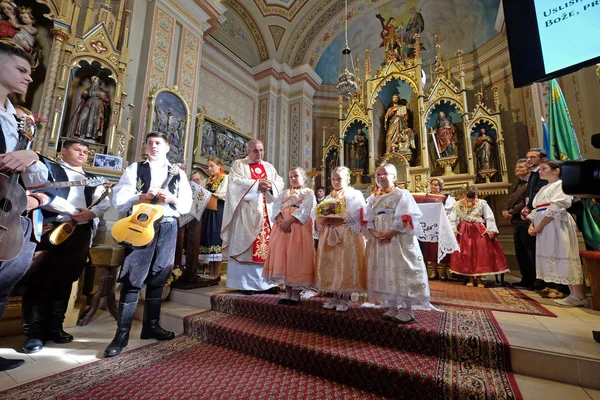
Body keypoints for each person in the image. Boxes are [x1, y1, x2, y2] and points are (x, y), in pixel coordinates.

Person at [104, 132, 192, 357]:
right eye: (150, 143)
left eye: (158, 143)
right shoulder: (135, 168)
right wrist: (141, 196)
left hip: (168, 225)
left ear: (167, 148)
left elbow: (186, 204)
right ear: (146, 146)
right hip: (140, 225)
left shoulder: (177, 172)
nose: (153, 146)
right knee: (133, 276)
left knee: (159, 275)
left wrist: (171, 199)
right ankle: (121, 334)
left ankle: (150, 326)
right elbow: (120, 197)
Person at [20, 140, 110, 353]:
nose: (82, 153)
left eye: (86, 151)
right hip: (51, 228)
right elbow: (42, 194)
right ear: (64, 150)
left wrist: (91, 213)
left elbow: (103, 201)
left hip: (79, 232)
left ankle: (55, 328)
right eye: (77, 149)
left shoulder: (91, 179)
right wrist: (71, 210)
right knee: (38, 278)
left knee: (66, 279)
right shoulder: (50, 169)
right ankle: (33, 333)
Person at [0, 43, 50, 371]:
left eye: (30, 72)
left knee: (3, 284)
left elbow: (38, 176)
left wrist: (31, 156)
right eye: (21, 70)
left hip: (8, 216)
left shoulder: (17, 120)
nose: (29, 78)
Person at [365, 164, 431, 323]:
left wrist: (391, 232)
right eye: (378, 174)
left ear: (394, 177)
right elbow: (367, 218)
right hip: (379, 238)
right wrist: (374, 232)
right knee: (385, 270)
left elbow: (406, 216)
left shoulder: (402, 194)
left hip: (398, 238)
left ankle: (407, 309)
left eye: (384, 174)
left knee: (402, 269)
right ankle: (392, 306)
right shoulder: (372, 198)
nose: (380, 177)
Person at [221, 139, 284, 295]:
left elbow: (280, 183)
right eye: (255, 151)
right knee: (246, 247)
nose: (259, 154)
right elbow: (234, 184)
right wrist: (256, 185)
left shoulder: (269, 167)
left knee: (269, 247)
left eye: (261, 150)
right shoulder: (239, 165)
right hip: (246, 214)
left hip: (267, 213)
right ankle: (245, 284)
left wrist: (271, 186)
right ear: (248, 151)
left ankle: (268, 283)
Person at [528, 160, 587, 306]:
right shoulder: (544, 188)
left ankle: (578, 295)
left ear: (556, 170)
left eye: (544, 168)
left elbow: (557, 206)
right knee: (555, 256)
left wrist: (540, 225)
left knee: (564, 254)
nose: (540, 171)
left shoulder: (561, 185)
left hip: (556, 223)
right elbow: (537, 209)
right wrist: (532, 223)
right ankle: (573, 293)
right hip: (545, 226)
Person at [314, 166, 366, 312]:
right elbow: (318, 211)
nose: (336, 182)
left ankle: (345, 299)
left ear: (347, 179)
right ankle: (335, 296)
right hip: (330, 232)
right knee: (332, 263)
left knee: (344, 263)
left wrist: (340, 220)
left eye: (339, 179)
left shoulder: (353, 194)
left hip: (346, 234)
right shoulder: (329, 197)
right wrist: (323, 220)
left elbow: (358, 213)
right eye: (333, 179)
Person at [263, 167, 315, 305]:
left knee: (294, 257)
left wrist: (289, 221)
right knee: (283, 258)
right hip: (282, 229)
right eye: (290, 176)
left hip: (297, 227)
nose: (292, 178)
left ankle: (296, 294)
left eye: (296, 176)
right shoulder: (285, 192)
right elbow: (276, 207)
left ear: (304, 178)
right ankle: (287, 292)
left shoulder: (308, 192)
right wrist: (281, 222)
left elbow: (305, 210)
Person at [449, 187, 509, 287]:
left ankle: (479, 278)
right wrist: (454, 230)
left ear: (476, 195)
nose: (471, 200)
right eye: (469, 197)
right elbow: (452, 218)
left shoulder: (482, 203)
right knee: (467, 253)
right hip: (464, 230)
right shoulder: (458, 204)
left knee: (480, 253)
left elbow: (489, 216)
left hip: (478, 229)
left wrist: (490, 229)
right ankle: (470, 278)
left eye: (473, 197)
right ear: (464, 195)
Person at [502, 159, 536, 289]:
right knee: (520, 251)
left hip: (524, 220)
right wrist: (505, 210)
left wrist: (511, 212)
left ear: (529, 169)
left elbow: (526, 202)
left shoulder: (530, 184)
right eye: (516, 166)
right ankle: (526, 278)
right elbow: (511, 199)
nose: (517, 169)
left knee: (529, 250)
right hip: (516, 221)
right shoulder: (518, 184)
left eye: (520, 167)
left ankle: (533, 279)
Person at [521, 148, 549, 291]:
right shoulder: (533, 174)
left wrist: (531, 208)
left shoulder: (542, 174)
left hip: (544, 215)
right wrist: (527, 208)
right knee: (533, 249)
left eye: (532, 157)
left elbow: (540, 193)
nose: (529, 160)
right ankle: (538, 279)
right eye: (527, 157)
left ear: (542, 159)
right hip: (534, 213)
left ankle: (545, 281)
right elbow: (530, 195)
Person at [198, 157, 228, 280]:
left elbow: (226, 193)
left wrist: (215, 195)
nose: (209, 169)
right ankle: (211, 272)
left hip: (218, 211)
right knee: (208, 238)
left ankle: (217, 273)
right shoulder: (207, 180)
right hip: (208, 211)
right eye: (208, 166)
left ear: (219, 167)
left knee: (216, 238)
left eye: (211, 166)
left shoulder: (225, 178)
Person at [425, 177, 456, 281]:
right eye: (432, 184)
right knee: (432, 250)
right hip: (431, 226)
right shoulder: (426, 197)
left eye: (436, 185)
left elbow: (450, 212)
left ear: (440, 187)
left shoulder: (447, 198)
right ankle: (434, 272)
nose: (433, 186)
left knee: (442, 249)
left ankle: (443, 272)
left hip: (443, 226)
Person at [72, 76, 110, 141]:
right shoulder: (88, 89)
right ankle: (79, 134)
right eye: (92, 80)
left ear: (98, 82)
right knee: (82, 117)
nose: (93, 81)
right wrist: (84, 94)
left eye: (94, 80)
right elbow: (83, 96)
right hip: (88, 104)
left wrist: (101, 96)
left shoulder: (102, 90)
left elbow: (107, 100)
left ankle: (91, 136)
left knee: (94, 121)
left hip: (97, 107)